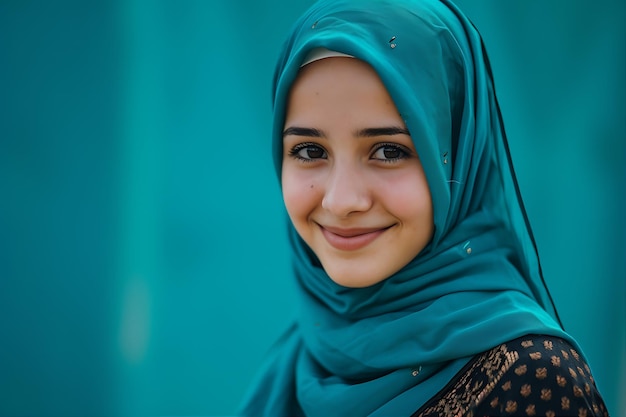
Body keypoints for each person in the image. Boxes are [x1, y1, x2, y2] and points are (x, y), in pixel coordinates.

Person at [238, 0, 608, 415]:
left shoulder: (533, 381)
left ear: (457, 156)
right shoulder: (305, 355)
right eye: (309, 150)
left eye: (389, 151)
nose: (341, 202)